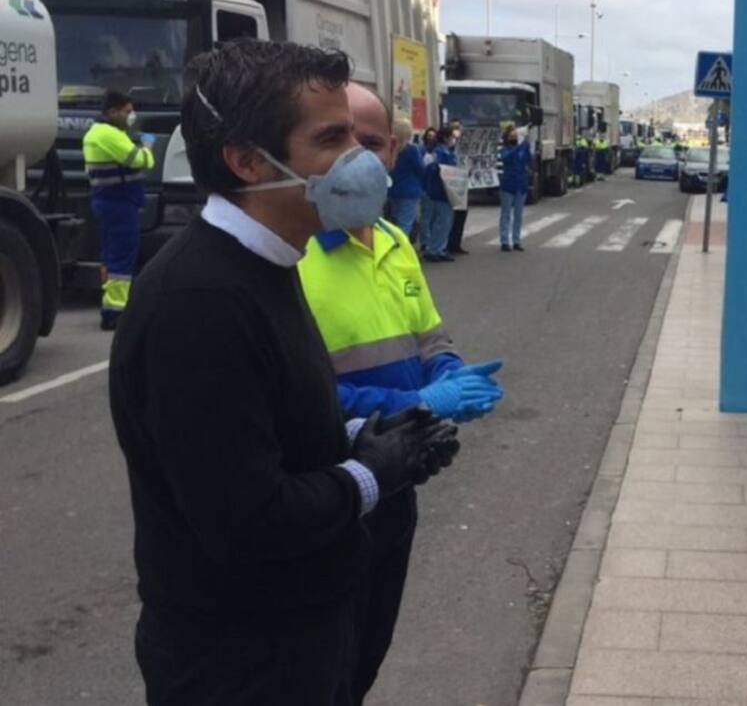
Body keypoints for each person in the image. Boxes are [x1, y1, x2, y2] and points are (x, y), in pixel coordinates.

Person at [108, 40, 459, 706]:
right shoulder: (201, 303)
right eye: (331, 138)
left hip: (300, 633)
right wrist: (370, 473)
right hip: (241, 661)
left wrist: (365, 435)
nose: (359, 159)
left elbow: (271, 429)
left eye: (358, 136)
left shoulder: (273, 261)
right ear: (247, 161)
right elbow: (246, 520)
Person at [298, 83, 503, 704]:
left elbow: (429, 336)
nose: (358, 156)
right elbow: (299, 396)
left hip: (397, 483)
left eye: (373, 143)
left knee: (366, 657)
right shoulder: (295, 254)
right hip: (325, 493)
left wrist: (449, 373)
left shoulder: (393, 242)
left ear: (393, 154)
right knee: (317, 669)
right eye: (341, 139)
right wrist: (415, 409)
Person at [82, 90, 156, 329]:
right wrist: (148, 147)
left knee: (111, 256)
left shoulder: (102, 133)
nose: (131, 115)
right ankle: (115, 312)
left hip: (110, 202)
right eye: (127, 111)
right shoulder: (108, 134)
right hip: (118, 204)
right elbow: (139, 160)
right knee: (122, 259)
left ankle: (110, 303)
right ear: (112, 112)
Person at [420, 126, 456, 262]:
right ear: (446, 137)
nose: (453, 139)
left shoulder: (443, 151)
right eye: (452, 137)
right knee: (443, 221)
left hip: (443, 190)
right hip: (441, 190)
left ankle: (438, 248)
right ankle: (435, 249)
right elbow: (432, 169)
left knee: (442, 221)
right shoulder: (439, 152)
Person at [387, 116, 424, 236]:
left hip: (392, 189)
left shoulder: (390, 149)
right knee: (405, 223)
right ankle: (401, 249)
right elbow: (420, 168)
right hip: (410, 191)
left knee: (394, 221)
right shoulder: (412, 149)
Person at [498, 124, 531, 252]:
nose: (514, 138)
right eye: (512, 136)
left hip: (521, 184)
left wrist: (527, 146)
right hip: (508, 185)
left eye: (516, 136)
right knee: (506, 214)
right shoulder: (505, 149)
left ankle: (516, 240)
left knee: (519, 215)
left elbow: (528, 160)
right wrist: (520, 147)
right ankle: (504, 241)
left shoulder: (522, 147)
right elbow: (507, 158)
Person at [446, 118, 469, 255]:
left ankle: (456, 243)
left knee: (461, 215)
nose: (457, 131)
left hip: (462, 184)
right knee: (450, 216)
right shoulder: (448, 146)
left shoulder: (465, 145)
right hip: (450, 184)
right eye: (454, 128)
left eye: (458, 128)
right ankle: (448, 243)